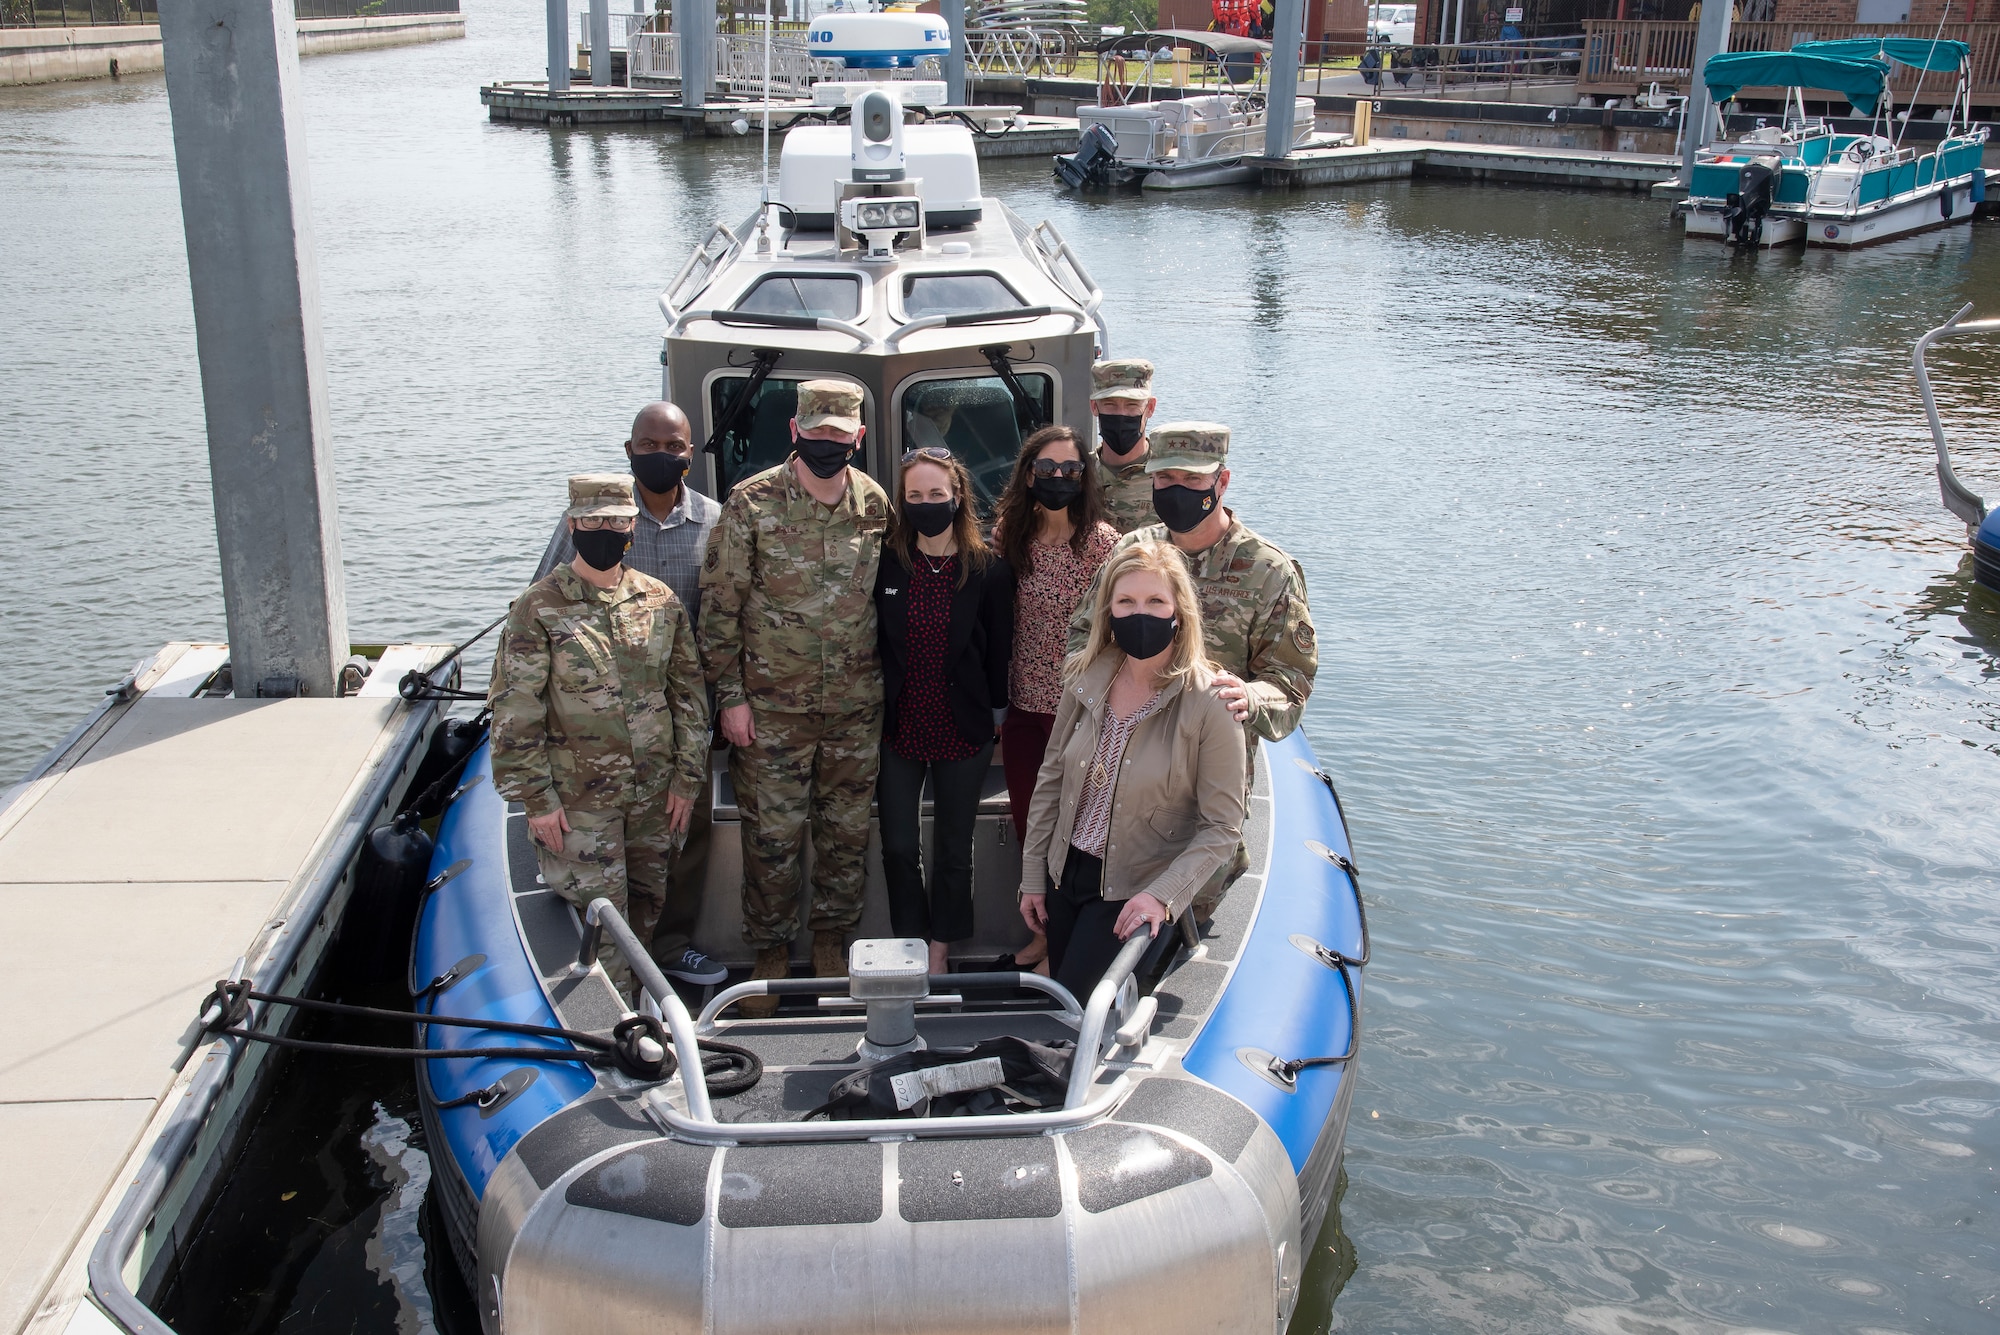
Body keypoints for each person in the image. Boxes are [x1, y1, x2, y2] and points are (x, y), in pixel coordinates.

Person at [1067, 423, 1318, 923]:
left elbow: (1290, 684)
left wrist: (1248, 696)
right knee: (1106, 894)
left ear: (1221, 482)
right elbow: (1080, 641)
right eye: (1163, 480)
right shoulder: (1132, 552)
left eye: (1190, 480)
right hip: (1123, 768)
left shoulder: (1268, 571)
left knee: (1193, 901)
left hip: (1206, 773)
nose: (1174, 491)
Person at [700, 380, 890, 1014]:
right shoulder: (751, 504)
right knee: (772, 838)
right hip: (771, 707)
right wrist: (730, 697)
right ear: (795, 432)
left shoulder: (874, 505)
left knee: (844, 834)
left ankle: (832, 941)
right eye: (817, 433)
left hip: (855, 706)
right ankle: (771, 951)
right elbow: (720, 609)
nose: (827, 444)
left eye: (840, 434)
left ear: (858, 438)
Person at [490, 475, 710, 1000]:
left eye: (616, 520)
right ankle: (621, 1036)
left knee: (649, 906)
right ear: (572, 526)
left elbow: (689, 696)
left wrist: (686, 780)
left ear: (632, 527)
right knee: (602, 923)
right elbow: (515, 711)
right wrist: (537, 802)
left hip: (655, 796)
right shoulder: (536, 609)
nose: (605, 530)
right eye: (593, 521)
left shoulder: (659, 600)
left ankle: (644, 1007)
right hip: (580, 803)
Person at [534, 401, 725, 986]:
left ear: (690, 454)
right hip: (598, 716)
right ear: (629, 450)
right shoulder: (600, 519)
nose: (660, 456)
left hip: (682, 703)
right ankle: (603, 968)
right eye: (648, 446)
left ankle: (670, 944)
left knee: (685, 831)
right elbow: (543, 603)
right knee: (604, 845)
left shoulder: (715, 521)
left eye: (673, 447)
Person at [1018, 541, 1246, 997]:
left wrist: (1161, 896)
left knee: (1080, 1011)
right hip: (1068, 876)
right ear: (1109, 610)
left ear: (1179, 611)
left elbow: (1222, 827)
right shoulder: (1085, 675)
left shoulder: (1210, 702)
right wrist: (1033, 874)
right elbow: (1052, 778)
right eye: (1126, 601)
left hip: (1134, 889)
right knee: (1063, 1001)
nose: (1140, 612)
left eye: (1155, 601)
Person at [874, 446, 1015, 975]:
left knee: (954, 849)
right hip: (899, 725)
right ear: (902, 502)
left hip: (964, 725)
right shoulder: (887, 561)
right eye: (915, 496)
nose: (926, 503)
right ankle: (910, 942)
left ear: (957, 496)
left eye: (937, 494)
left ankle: (940, 950)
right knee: (898, 846)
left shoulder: (988, 570)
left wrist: (999, 718)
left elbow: (999, 647)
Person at [990, 423, 1119, 971]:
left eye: (1070, 469)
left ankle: (1063, 947)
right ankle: (1042, 938)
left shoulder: (1104, 545)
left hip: (1083, 715)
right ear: (1028, 474)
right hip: (1024, 712)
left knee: (1079, 835)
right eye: (1048, 469)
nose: (1060, 478)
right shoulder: (1006, 537)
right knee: (1032, 831)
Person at [1089, 358, 1160, 535]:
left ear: (1150, 408)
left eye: (1132, 405)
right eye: (1110, 404)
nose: (1121, 414)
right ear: (1094, 407)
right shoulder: (1076, 473)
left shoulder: (1167, 476)